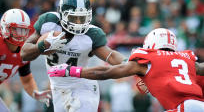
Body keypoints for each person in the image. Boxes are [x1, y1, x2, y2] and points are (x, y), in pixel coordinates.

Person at [48, 28, 204, 112]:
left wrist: (72, 71)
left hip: (185, 107)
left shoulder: (148, 59)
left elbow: (106, 72)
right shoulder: (186, 58)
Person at [20, 0, 125, 112]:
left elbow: (111, 56)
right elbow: (24, 53)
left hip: (82, 85)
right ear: (62, 14)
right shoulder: (49, 22)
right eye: (74, 17)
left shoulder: (91, 34)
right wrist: (42, 46)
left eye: (82, 18)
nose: (79, 23)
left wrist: (128, 61)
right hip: (58, 87)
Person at [0, 9, 51, 112]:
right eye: (16, 29)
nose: (21, 34)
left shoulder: (24, 51)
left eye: (23, 30)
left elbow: (27, 79)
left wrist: (35, 93)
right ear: (4, 28)